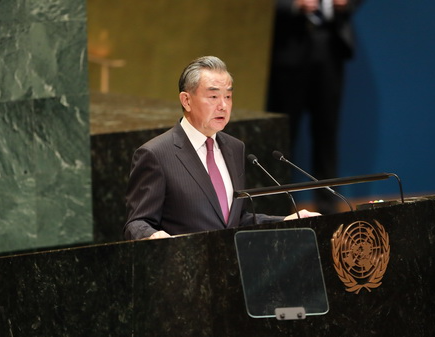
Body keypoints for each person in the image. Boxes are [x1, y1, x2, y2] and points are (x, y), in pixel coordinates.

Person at [124, 56, 319, 240]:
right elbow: (138, 222)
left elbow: (235, 219)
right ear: (186, 100)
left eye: (228, 96)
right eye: (214, 96)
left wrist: (285, 221)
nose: (223, 106)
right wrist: (152, 236)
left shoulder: (234, 148)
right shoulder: (156, 154)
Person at [267, 0, 362, 214]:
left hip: (330, 47)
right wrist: (292, 5)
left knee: (327, 134)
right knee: (283, 137)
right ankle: (278, 211)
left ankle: (328, 210)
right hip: (288, 48)